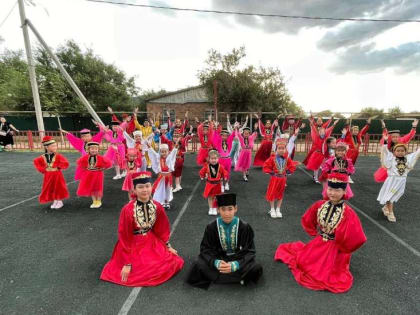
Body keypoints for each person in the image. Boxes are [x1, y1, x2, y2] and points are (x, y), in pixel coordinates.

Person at [274, 172, 367, 293]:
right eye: (330, 189)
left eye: (337, 190)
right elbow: (307, 218)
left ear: (344, 192)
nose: (332, 193)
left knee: (325, 274)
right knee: (303, 262)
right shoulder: (320, 204)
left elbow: (357, 236)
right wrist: (313, 231)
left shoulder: (348, 213)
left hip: (335, 248)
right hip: (319, 242)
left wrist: (343, 246)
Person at [100, 171, 184, 287]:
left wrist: (168, 246)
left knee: (172, 262)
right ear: (134, 190)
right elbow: (124, 235)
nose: (144, 190)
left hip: (150, 241)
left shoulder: (157, 206)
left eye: (147, 186)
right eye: (140, 187)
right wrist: (127, 263)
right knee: (140, 271)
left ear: (151, 187)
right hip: (132, 244)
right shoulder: (127, 209)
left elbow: (162, 228)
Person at [186, 193, 263, 289]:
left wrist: (236, 264)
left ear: (235, 209)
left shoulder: (244, 227)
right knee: (197, 264)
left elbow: (250, 251)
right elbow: (205, 249)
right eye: (223, 209)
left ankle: (219, 277)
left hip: (238, 259)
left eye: (230, 209)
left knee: (256, 267)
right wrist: (215, 262)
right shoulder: (211, 227)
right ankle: (237, 278)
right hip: (219, 258)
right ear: (218, 210)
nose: (227, 213)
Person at [377, 136, 420, 222]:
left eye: (402, 151)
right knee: (390, 196)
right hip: (392, 181)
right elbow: (385, 151)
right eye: (398, 151)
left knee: (395, 195)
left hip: (401, 181)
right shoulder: (391, 159)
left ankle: (386, 207)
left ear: (405, 152)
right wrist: (385, 141)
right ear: (394, 152)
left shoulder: (407, 159)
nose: (400, 152)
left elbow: (416, 153)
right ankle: (391, 212)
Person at [263, 138, 298, 218]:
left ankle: (278, 209)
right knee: (272, 193)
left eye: (283, 148)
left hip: (283, 179)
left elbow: (292, 165)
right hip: (274, 179)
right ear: (276, 150)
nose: (281, 150)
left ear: (285, 149)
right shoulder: (272, 158)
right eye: (279, 148)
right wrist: (270, 172)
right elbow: (266, 166)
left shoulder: (287, 159)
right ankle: (272, 209)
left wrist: (289, 171)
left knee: (280, 194)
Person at [33, 136, 69, 209]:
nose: (55, 147)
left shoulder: (58, 156)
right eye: (53, 146)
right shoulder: (43, 157)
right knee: (51, 188)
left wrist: (58, 167)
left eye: (55, 145)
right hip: (48, 175)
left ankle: (59, 201)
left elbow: (65, 163)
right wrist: (43, 169)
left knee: (58, 187)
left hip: (57, 175)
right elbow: (36, 162)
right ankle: (55, 201)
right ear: (47, 147)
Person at [76, 142, 112, 208]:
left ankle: (98, 201)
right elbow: (79, 162)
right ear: (88, 150)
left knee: (98, 187)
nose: (94, 150)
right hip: (89, 174)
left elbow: (109, 163)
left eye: (96, 149)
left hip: (98, 174)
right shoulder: (85, 157)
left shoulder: (101, 158)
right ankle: (94, 201)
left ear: (98, 150)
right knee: (92, 188)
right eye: (92, 149)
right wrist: (85, 168)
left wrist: (103, 168)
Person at [304, 118, 339, 183]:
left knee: (326, 166)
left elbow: (329, 129)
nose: (322, 133)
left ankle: (325, 177)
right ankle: (315, 177)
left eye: (323, 132)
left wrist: (334, 124)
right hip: (317, 154)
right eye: (321, 132)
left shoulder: (326, 138)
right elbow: (314, 130)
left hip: (324, 155)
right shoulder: (316, 137)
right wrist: (311, 124)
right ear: (319, 133)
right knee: (316, 168)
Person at [147, 143, 178, 210]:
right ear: (160, 152)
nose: (164, 153)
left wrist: (175, 147)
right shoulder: (158, 158)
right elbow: (153, 154)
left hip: (168, 176)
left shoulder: (170, 158)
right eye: (162, 152)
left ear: (168, 151)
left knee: (168, 189)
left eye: (165, 151)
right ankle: (159, 201)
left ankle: (166, 201)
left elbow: (173, 153)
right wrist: (150, 147)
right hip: (161, 177)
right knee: (159, 189)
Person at [199, 150, 228, 216]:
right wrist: (202, 176)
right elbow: (202, 171)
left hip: (217, 184)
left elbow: (225, 172)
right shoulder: (207, 166)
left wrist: (225, 177)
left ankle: (214, 208)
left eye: (215, 158)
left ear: (218, 158)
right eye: (212, 158)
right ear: (209, 159)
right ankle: (210, 208)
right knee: (209, 197)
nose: (213, 160)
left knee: (216, 197)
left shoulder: (220, 167)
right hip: (209, 184)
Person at [212, 125, 235, 191]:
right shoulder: (219, 142)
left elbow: (232, 135)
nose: (224, 137)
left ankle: (227, 184)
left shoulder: (229, 141)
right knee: (220, 173)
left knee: (227, 172)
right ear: (221, 136)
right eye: (223, 135)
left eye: (226, 136)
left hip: (228, 159)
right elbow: (215, 138)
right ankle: (221, 185)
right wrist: (215, 130)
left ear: (227, 136)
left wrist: (235, 128)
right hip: (221, 160)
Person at [172, 128, 193, 192]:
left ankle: (177, 185)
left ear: (179, 137)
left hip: (178, 160)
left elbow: (188, 137)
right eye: (174, 136)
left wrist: (190, 131)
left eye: (177, 136)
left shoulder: (181, 142)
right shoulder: (172, 143)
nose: (175, 138)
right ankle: (178, 185)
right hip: (177, 159)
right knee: (178, 173)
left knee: (176, 174)